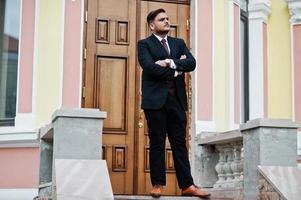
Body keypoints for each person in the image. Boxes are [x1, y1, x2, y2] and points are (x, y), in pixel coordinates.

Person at [137, 8, 210, 198]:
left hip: (176, 101)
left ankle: (187, 185)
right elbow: (150, 68)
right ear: (152, 25)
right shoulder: (144, 45)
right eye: (162, 19)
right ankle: (158, 184)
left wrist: (168, 62)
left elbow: (192, 63)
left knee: (179, 144)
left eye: (168, 19)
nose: (167, 21)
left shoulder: (179, 43)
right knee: (157, 143)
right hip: (155, 103)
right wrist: (178, 68)